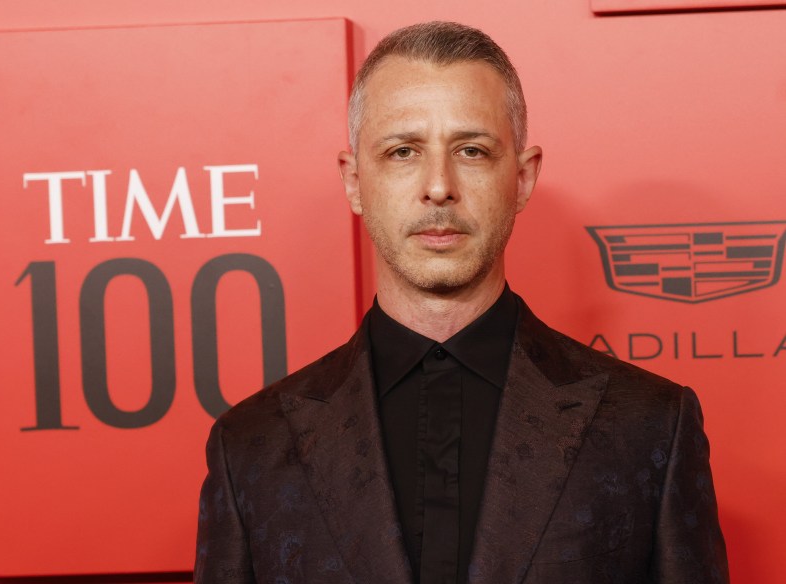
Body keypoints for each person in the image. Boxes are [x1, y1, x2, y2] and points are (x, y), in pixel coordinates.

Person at [194, 21, 728, 584]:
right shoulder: (250, 446)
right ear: (354, 180)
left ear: (522, 178)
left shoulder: (650, 427)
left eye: (471, 150)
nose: (439, 185)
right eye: (403, 151)